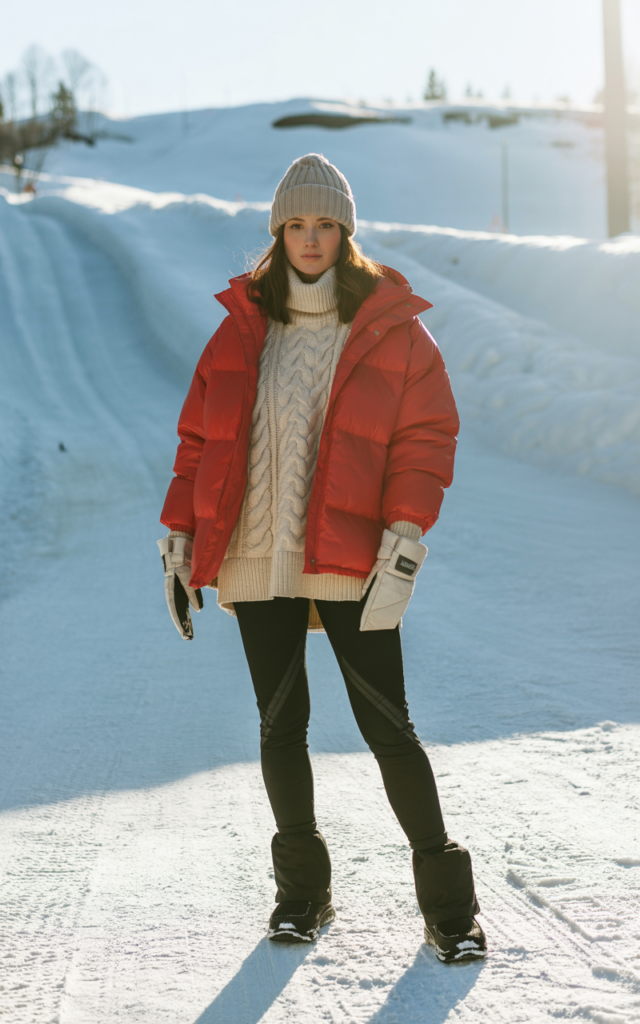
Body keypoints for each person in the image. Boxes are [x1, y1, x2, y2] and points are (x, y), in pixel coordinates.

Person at [158, 154, 486, 963]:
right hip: (254, 552)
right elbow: (197, 443)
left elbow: (425, 438)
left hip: (350, 556)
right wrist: (179, 539)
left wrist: (406, 535)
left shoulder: (393, 330)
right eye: (295, 225)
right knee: (280, 725)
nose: (310, 238)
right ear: (278, 233)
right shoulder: (240, 328)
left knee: (389, 727)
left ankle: (448, 908)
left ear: (347, 232)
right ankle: (302, 896)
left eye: (324, 224)